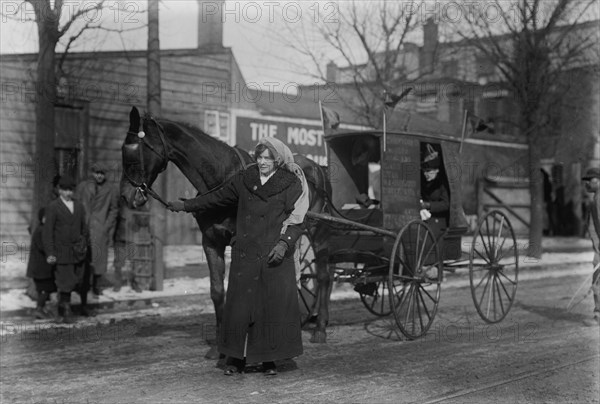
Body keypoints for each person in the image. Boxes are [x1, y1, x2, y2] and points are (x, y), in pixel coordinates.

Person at [167, 137, 306, 377]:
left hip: (273, 253)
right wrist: (187, 205)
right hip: (246, 253)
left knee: (268, 309)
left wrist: (285, 244)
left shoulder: (291, 184)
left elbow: (298, 220)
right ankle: (234, 358)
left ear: (277, 160)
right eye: (259, 157)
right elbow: (216, 197)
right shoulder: (245, 179)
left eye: (267, 158)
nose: (262, 162)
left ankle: (268, 360)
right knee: (240, 309)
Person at [43, 176, 89, 323]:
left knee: (77, 280)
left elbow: (84, 229)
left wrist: (83, 244)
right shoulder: (53, 207)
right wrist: (50, 252)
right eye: (65, 190)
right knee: (65, 281)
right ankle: (65, 310)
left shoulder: (79, 206)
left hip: (77, 251)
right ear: (59, 190)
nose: (68, 193)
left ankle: (62, 308)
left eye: (70, 190)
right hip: (61, 251)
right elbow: (47, 232)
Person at [76, 162, 119, 295]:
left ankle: (96, 285)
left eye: (102, 174)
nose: (99, 176)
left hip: (100, 229)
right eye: (97, 173)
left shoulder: (111, 189)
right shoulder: (83, 186)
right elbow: (77, 203)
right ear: (92, 173)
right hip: (84, 226)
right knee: (82, 256)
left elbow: (114, 209)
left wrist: (106, 226)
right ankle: (81, 285)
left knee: (98, 259)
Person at [26, 207, 56, 319]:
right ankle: (39, 309)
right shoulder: (41, 231)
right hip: (40, 267)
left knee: (44, 288)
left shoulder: (43, 230)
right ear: (42, 219)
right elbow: (44, 247)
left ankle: (41, 308)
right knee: (45, 289)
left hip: (42, 267)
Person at [581, 167, 600, 327]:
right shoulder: (595, 200)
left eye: (591, 180)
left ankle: (598, 314)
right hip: (598, 246)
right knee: (597, 279)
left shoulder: (598, 200)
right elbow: (593, 226)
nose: (587, 183)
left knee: (597, 280)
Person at [420, 144, 450, 233]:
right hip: (423, 219)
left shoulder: (442, 184)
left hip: (438, 220)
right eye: (424, 171)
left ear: (437, 170)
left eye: (429, 171)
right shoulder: (422, 181)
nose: (426, 174)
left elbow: (446, 204)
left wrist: (428, 205)